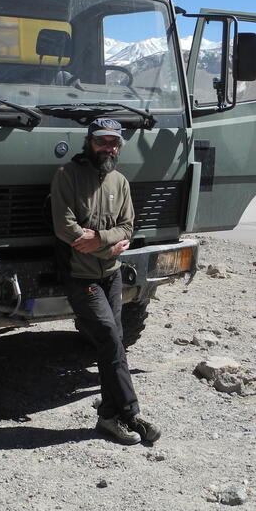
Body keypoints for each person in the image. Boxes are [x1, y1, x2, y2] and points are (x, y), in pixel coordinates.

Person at [50, 117, 161, 445]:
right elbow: (66, 227)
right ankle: (130, 413)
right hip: (79, 275)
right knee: (111, 338)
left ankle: (109, 417)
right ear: (89, 142)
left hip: (110, 275)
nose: (108, 147)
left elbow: (127, 227)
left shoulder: (120, 182)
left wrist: (99, 238)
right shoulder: (67, 176)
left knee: (113, 342)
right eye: (102, 141)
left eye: (113, 143)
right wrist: (107, 245)